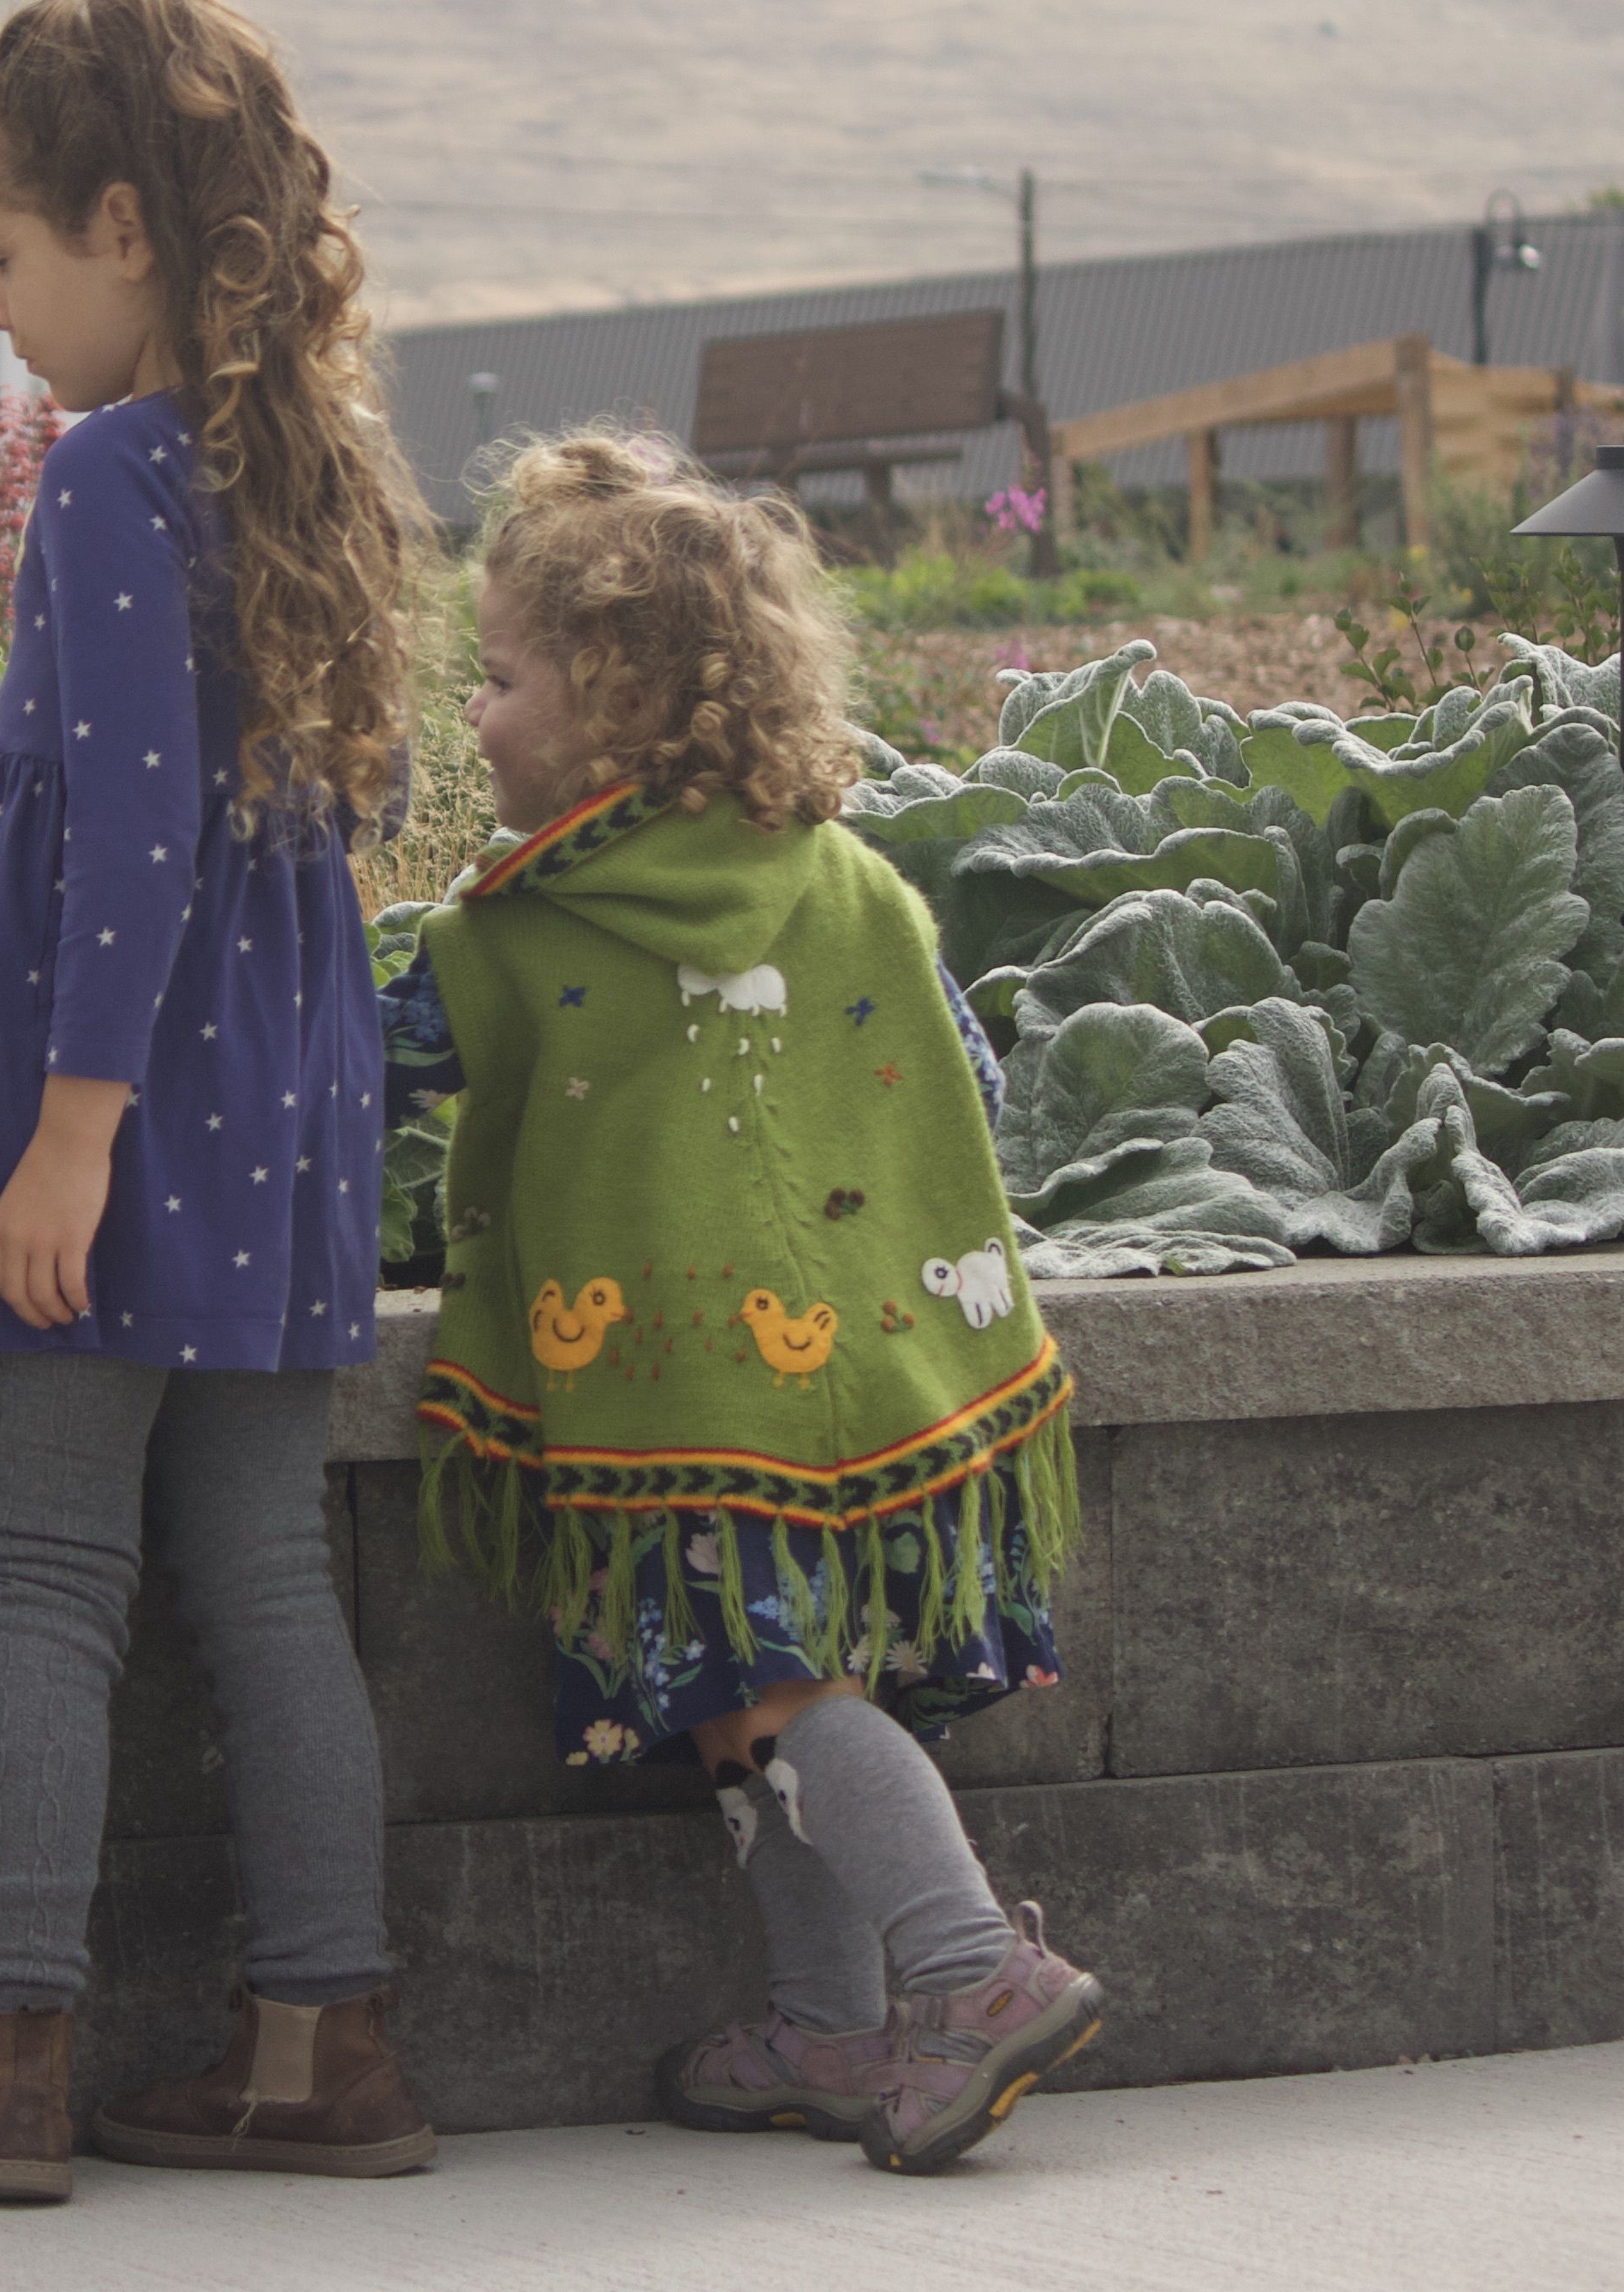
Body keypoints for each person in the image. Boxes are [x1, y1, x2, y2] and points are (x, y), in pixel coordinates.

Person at [381, 432, 1106, 2177]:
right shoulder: (860, 882)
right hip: (893, 1371)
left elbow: (353, 1067)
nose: (472, 716)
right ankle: (834, 2030)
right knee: (758, 1693)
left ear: (611, 695)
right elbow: (969, 1095)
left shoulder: (515, 927)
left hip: (684, 1396)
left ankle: (969, 1971)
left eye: (498, 679)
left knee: (768, 1700)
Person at [0, 0, 435, 2204]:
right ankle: (325, 2045)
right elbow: (293, 806)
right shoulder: (323, 466)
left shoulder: (110, 470)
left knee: (35, 1572)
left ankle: (0, 2073)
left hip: (110, 1132)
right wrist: (3, 812)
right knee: (266, 1574)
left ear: (121, 230)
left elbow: (139, 831)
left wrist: (67, 1135)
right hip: (282, 1124)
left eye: (2, 254)